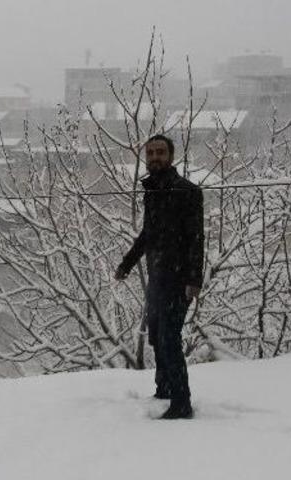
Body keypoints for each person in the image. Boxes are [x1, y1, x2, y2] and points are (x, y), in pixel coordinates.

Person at [114, 134, 204, 420]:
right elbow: (148, 234)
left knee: (168, 337)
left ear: (171, 156)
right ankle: (164, 388)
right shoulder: (151, 190)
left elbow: (196, 238)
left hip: (178, 280)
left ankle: (181, 402)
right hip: (157, 276)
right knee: (156, 335)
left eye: (160, 152)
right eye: (150, 153)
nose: (155, 157)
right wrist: (127, 263)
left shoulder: (187, 190)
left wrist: (194, 280)